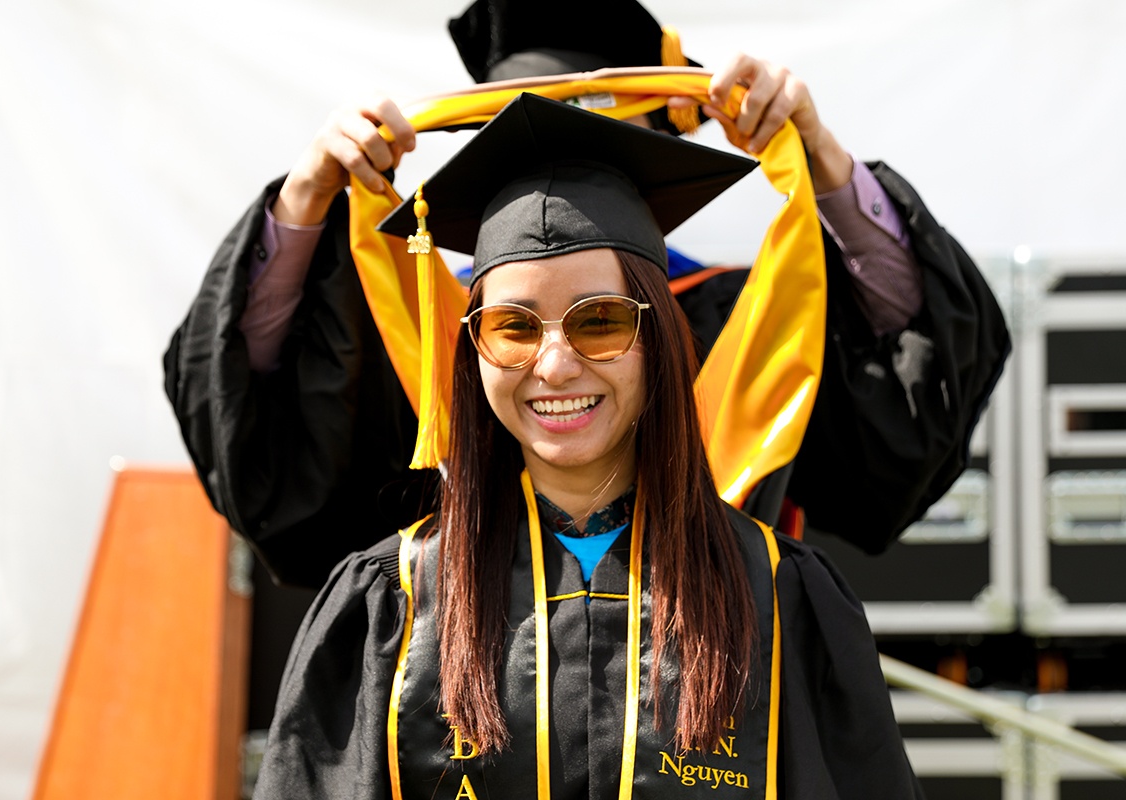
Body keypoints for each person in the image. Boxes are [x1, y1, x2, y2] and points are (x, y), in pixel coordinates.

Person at [163, 0, 1009, 592]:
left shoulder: (739, 319)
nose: (554, 362)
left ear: (654, 152)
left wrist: (823, 161)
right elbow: (259, 439)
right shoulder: (422, 335)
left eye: (596, 142)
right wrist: (304, 206)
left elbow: (917, 373)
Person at [251, 92, 924, 799]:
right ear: (472, 349)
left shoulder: (778, 595)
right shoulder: (394, 601)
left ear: (658, 341)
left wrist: (821, 156)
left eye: (599, 321)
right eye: (512, 326)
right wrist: (306, 192)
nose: (554, 364)